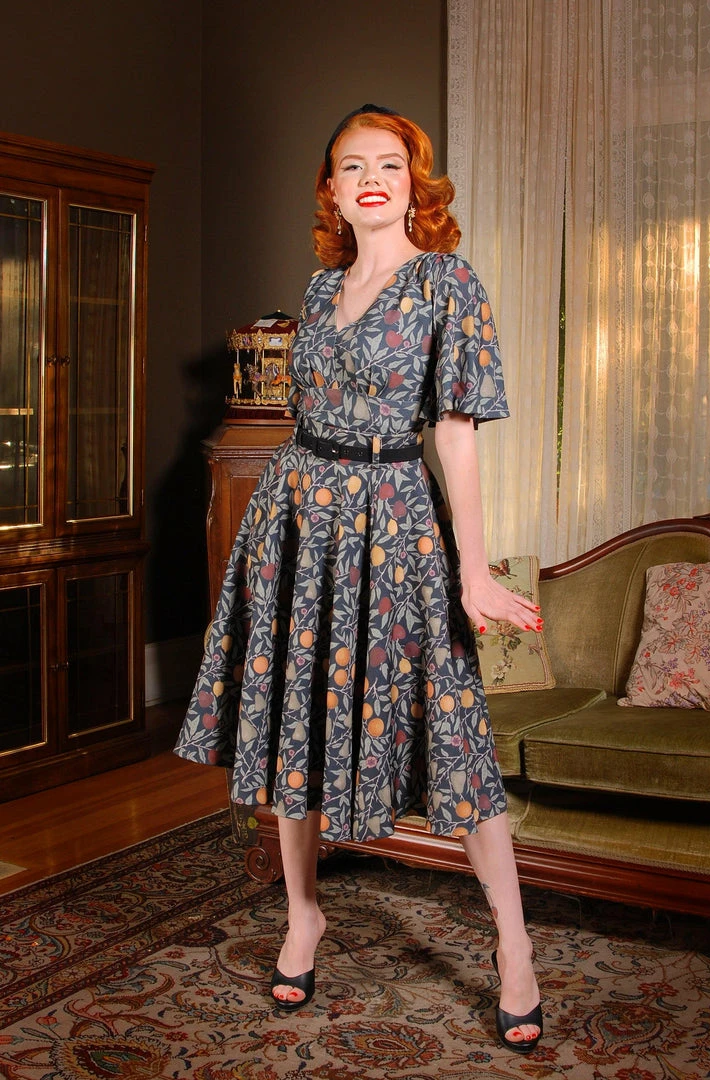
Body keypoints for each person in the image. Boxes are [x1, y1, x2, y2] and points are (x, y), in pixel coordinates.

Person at [175, 104, 543, 1054]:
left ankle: (513, 945)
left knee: (452, 727)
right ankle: (304, 914)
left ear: (415, 186)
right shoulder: (318, 286)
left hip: (395, 519)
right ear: (332, 192)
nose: (370, 178)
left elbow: (455, 433)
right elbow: (301, 412)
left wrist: (471, 569)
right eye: (351, 165)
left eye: (389, 163)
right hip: (297, 513)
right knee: (293, 721)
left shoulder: (447, 282)